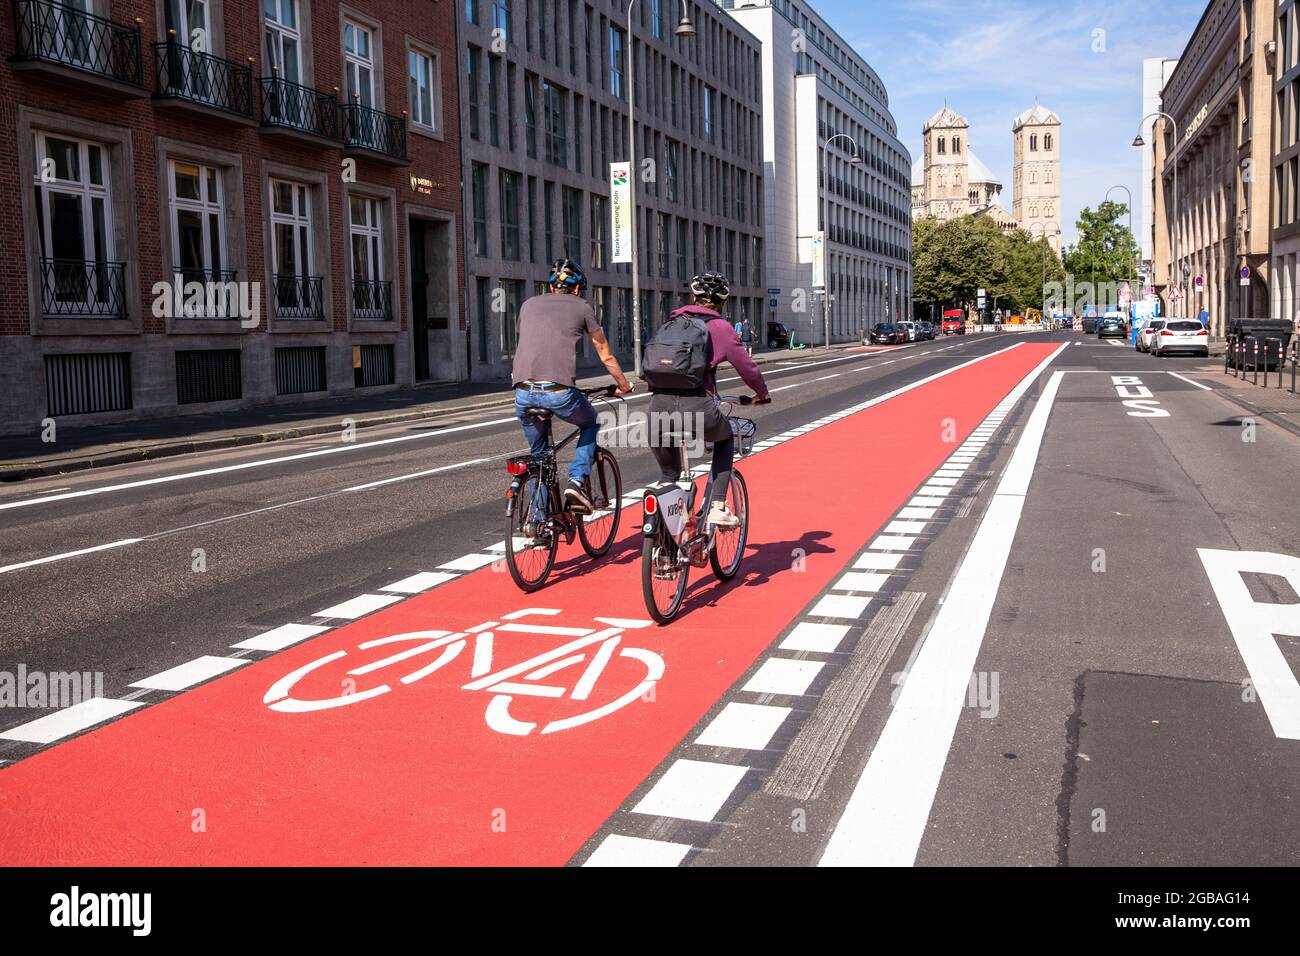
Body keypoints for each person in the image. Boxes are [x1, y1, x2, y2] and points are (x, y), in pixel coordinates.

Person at [645, 272, 770, 528]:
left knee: (669, 474)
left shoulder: (669, 324)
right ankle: (718, 506)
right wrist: (762, 395)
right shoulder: (721, 328)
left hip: (658, 408)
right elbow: (748, 369)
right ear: (722, 302)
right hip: (698, 405)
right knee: (725, 439)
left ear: (693, 297)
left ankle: (663, 531)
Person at [511, 259, 632, 511]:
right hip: (558, 392)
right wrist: (624, 384)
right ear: (577, 289)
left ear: (551, 286)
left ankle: (538, 523)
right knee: (591, 422)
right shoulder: (582, 306)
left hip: (522, 391)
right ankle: (576, 480)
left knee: (539, 456)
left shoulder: (528, 305)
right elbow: (605, 353)